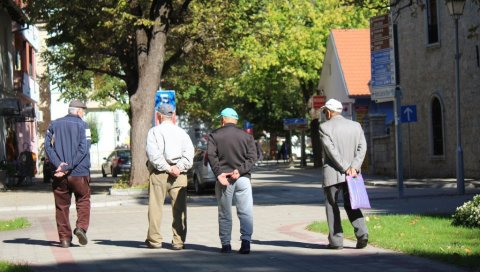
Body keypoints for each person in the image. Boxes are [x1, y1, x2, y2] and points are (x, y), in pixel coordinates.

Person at [319, 98, 369, 250]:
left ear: (329, 112)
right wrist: (354, 166)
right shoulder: (356, 126)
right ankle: (362, 234)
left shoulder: (324, 127)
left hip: (333, 173)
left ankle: (336, 241)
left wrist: (346, 167)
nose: (324, 114)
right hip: (352, 174)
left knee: (332, 205)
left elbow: (331, 150)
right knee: (353, 204)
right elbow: (363, 147)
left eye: (324, 111)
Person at [207, 107, 257, 254]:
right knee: (246, 211)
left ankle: (226, 244)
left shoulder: (214, 135)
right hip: (243, 178)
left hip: (224, 179)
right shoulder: (246, 136)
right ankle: (246, 243)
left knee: (224, 212)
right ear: (236, 120)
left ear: (222, 119)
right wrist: (240, 170)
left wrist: (218, 174)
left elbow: (211, 156)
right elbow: (253, 157)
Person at [145, 103, 194, 250]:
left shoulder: (154, 132)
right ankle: (178, 241)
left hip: (159, 173)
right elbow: (189, 154)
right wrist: (178, 167)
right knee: (180, 209)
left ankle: (154, 240)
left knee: (155, 208)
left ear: (159, 116)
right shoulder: (182, 133)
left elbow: (153, 155)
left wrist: (167, 167)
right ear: (172, 116)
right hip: (179, 175)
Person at [44, 99, 91, 248]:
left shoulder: (53, 124)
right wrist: (69, 166)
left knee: (61, 206)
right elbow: (84, 148)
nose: (83, 114)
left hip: (59, 174)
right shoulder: (84, 126)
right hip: (79, 173)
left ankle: (64, 239)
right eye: (83, 111)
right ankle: (81, 228)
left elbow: (47, 146)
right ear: (78, 111)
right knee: (83, 200)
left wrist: (59, 165)